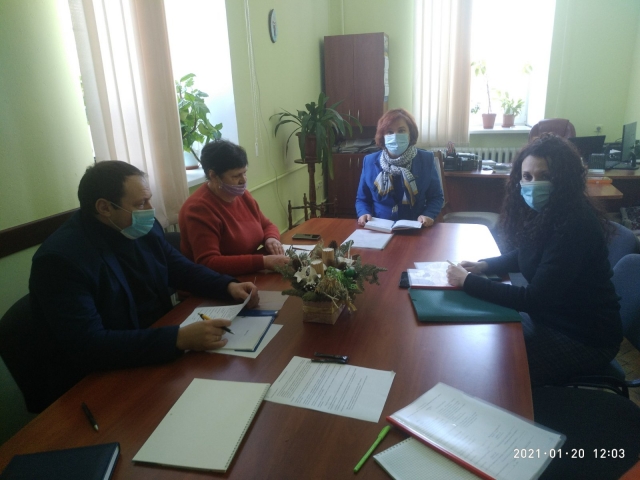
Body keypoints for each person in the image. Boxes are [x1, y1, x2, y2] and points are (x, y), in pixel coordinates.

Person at [29, 160, 259, 410]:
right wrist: (177, 338)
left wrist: (227, 286)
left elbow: (180, 268)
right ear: (104, 207)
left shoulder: (139, 227)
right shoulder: (60, 260)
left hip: (156, 351)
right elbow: (90, 345)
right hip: (102, 382)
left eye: (149, 200)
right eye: (140, 204)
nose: (150, 210)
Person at [446, 134, 622, 386]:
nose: (533, 184)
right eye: (527, 177)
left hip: (585, 337)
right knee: (480, 340)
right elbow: (527, 253)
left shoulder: (575, 225)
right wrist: (485, 265)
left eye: (544, 176)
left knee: (489, 371)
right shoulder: (548, 211)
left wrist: (468, 281)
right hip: (553, 319)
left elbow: (534, 300)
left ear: (564, 179)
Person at [179, 140, 289, 276]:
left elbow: (267, 225)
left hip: (248, 273)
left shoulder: (241, 196)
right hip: (219, 281)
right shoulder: (198, 209)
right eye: (236, 176)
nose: (243, 180)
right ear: (213, 176)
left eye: (244, 173)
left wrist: (271, 239)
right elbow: (209, 262)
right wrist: (263, 262)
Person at [355, 108, 444, 227]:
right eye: (389, 132)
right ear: (383, 136)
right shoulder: (370, 161)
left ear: (410, 134)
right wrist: (363, 213)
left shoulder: (426, 159)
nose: (395, 136)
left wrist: (428, 214)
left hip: (416, 226)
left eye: (401, 131)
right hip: (380, 227)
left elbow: (436, 197)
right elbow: (362, 199)